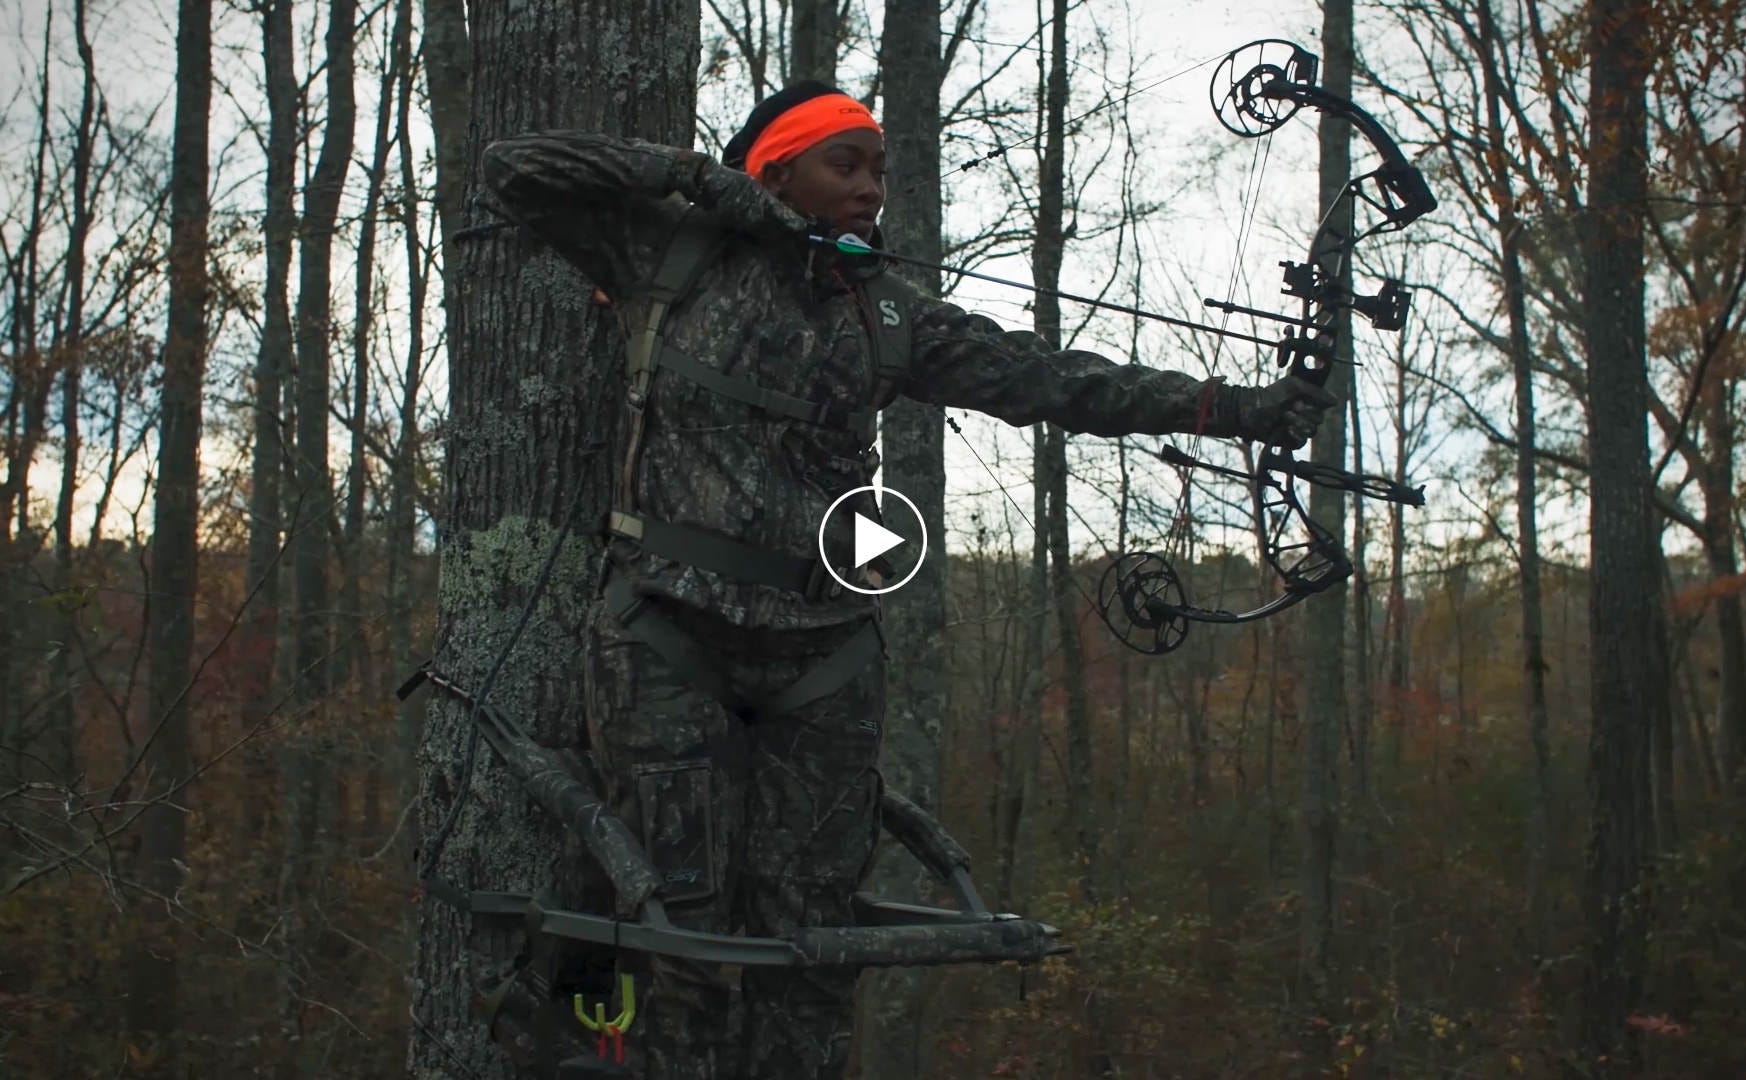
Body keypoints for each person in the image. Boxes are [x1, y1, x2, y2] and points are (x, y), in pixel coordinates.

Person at [480, 82, 1332, 1080]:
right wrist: (700, 180)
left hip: (824, 662)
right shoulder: (672, 253)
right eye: (846, 163)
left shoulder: (885, 311)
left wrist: (1238, 409)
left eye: (880, 170)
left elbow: (1055, 381)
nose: (871, 189)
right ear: (780, 169)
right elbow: (514, 168)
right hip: (670, 639)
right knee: (686, 947)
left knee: (813, 957)